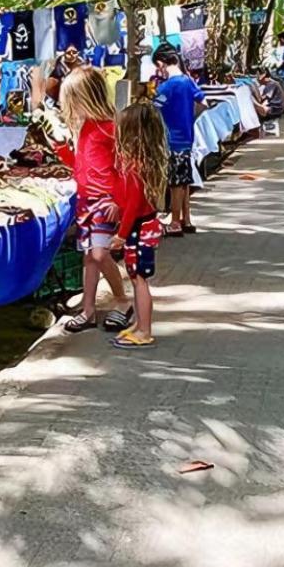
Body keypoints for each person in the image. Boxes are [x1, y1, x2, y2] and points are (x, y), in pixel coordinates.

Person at [59, 66, 133, 333]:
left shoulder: (111, 128)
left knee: (100, 254)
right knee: (90, 256)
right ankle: (88, 309)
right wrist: (62, 151)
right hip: (87, 200)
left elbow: (127, 169)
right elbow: (83, 164)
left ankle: (122, 299)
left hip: (104, 200)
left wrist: (118, 199)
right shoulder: (89, 127)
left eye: (73, 101)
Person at [107, 101, 169, 350]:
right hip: (144, 225)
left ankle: (145, 330)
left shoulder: (135, 167)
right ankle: (140, 324)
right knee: (135, 278)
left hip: (138, 229)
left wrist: (121, 235)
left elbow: (133, 205)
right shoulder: (140, 164)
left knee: (139, 279)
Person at [151, 46, 206, 236]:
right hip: (187, 138)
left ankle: (174, 222)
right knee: (185, 180)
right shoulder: (188, 82)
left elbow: (154, 111)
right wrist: (188, 119)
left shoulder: (164, 87)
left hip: (171, 140)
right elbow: (203, 103)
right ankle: (186, 219)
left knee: (175, 182)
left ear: (161, 64)